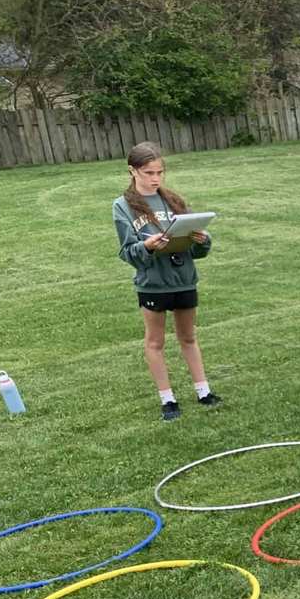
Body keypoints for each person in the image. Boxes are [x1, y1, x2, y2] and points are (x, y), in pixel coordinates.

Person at [113, 141, 220, 421]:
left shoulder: (174, 201)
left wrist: (202, 240)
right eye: (149, 173)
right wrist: (147, 246)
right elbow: (127, 252)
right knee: (155, 342)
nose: (155, 179)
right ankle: (168, 399)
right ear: (132, 171)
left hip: (184, 280)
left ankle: (204, 391)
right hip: (153, 284)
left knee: (189, 337)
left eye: (160, 172)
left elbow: (196, 250)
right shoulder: (122, 206)